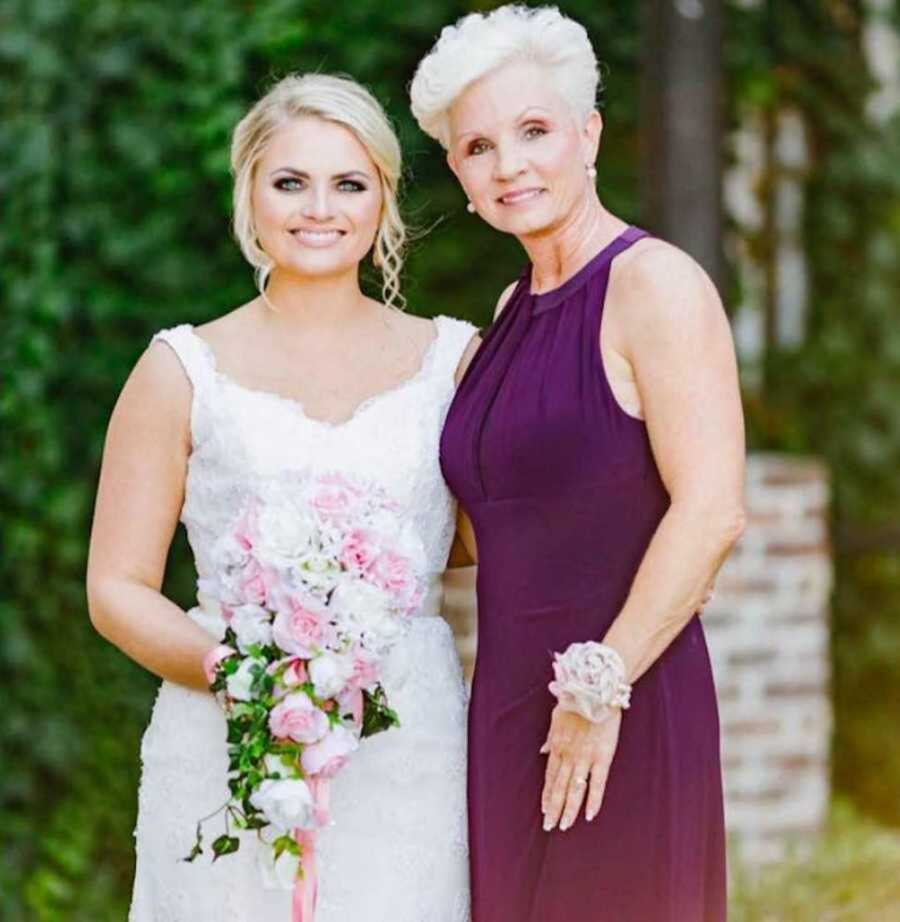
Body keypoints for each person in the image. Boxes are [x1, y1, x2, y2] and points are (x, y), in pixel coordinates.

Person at [87, 73, 477, 922]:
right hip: (228, 740)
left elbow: (506, 532)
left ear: (383, 199)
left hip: (408, 750)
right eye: (290, 182)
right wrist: (245, 677)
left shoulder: (455, 365)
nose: (319, 208)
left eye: (349, 183)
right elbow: (116, 588)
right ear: (250, 194)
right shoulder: (180, 369)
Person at [411, 6, 746, 921]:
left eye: (533, 131)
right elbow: (490, 530)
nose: (509, 164)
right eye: (479, 147)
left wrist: (602, 689)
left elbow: (712, 510)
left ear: (588, 134)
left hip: (621, 708)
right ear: (460, 176)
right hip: (508, 710)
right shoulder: (507, 311)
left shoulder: (655, 286)